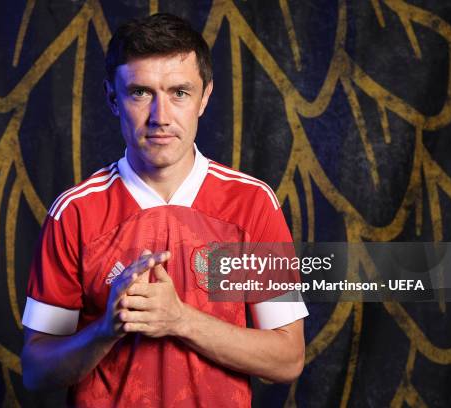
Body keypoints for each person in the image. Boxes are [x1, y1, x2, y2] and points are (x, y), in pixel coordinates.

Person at [21, 13, 308, 407]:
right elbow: (36, 371)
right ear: (112, 99)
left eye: (179, 92)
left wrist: (180, 320)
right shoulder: (74, 213)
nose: (160, 117)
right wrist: (107, 328)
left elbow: (288, 358)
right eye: (140, 92)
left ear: (204, 97)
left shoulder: (252, 205)